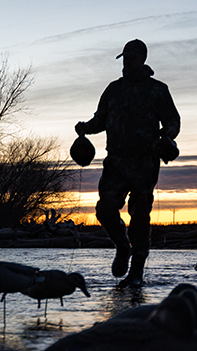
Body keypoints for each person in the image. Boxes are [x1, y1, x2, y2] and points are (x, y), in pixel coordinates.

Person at [76, 39, 180, 288]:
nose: (127, 61)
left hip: (145, 161)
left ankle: (137, 271)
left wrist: (167, 136)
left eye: (132, 57)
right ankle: (122, 247)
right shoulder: (113, 89)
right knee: (105, 210)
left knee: (140, 215)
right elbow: (100, 119)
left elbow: (173, 120)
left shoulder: (158, 90)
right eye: (125, 57)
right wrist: (85, 129)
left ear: (142, 58)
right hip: (116, 162)